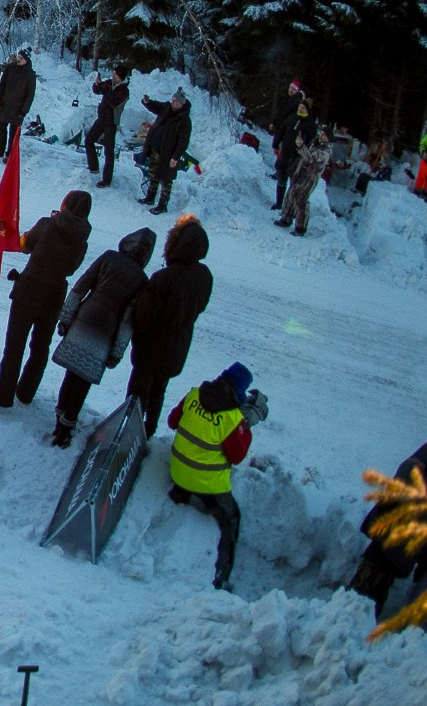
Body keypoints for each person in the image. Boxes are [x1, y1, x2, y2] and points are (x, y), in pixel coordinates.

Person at [348, 420, 427, 616]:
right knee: (381, 585)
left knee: (366, 578)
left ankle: (344, 618)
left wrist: (387, 503)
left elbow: (408, 468)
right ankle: (361, 625)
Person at [164, 362, 268, 591]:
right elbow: (237, 456)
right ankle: (222, 577)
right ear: (241, 392)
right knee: (232, 519)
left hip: (177, 471)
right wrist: (245, 426)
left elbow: (172, 422)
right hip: (207, 485)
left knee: (188, 477)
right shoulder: (232, 419)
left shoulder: (194, 395)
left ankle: (180, 495)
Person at [47, 227, 154, 446]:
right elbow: (127, 321)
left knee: (71, 371)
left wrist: (66, 317)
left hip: (84, 318)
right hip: (106, 331)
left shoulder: (108, 258)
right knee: (83, 380)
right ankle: (66, 428)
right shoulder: (142, 280)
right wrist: (117, 351)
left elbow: (80, 287)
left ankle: (59, 418)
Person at [0, 189, 93, 408]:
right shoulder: (82, 239)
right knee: (40, 347)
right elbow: (72, 267)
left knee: (15, 345)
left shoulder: (47, 224)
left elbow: (23, 245)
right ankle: (26, 393)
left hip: (29, 288)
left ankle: (3, 397)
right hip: (55, 294)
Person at [125, 214, 214, 438]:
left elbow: (143, 315)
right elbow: (200, 307)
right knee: (158, 392)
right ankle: (149, 430)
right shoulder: (205, 277)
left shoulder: (164, 277)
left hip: (150, 348)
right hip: (177, 347)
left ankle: (127, 432)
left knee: (137, 393)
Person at [137, 88, 194, 216]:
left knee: (166, 179)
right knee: (153, 174)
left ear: (181, 103)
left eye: (175, 101)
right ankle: (150, 197)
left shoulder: (184, 120)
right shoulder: (166, 108)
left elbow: (183, 141)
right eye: (172, 100)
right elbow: (155, 106)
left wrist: (176, 157)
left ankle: (162, 205)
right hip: (155, 150)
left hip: (168, 154)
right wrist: (147, 102)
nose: (173, 103)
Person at [275, 126, 333, 236]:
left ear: (329, 138)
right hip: (300, 174)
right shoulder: (315, 143)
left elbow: (311, 160)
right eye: (321, 133)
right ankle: (286, 219)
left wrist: (301, 146)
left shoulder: (326, 151)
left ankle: (300, 227)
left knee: (301, 201)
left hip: (309, 179)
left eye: (324, 135)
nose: (321, 135)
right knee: (291, 195)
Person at [84, 65, 131, 187]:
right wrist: (97, 84)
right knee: (88, 140)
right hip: (101, 118)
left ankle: (107, 179)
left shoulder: (125, 91)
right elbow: (97, 90)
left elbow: (114, 103)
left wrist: (104, 90)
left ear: (121, 76)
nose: (113, 76)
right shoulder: (110, 83)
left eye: (115, 74)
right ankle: (93, 166)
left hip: (112, 122)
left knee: (108, 151)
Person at [0, 49, 37, 157]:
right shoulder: (10, 68)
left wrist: (24, 110)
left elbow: (30, 95)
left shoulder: (30, 75)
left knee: (14, 134)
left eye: (21, 58)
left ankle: (10, 155)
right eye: (18, 57)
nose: (18, 59)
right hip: (5, 104)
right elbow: (2, 83)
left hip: (18, 108)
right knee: (1, 130)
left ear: (26, 60)